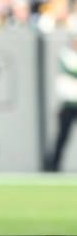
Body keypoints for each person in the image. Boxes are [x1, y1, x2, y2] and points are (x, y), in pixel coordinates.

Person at [47, 34, 77, 171]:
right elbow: (71, 69)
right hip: (68, 103)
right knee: (62, 136)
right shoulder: (66, 55)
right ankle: (53, 165)